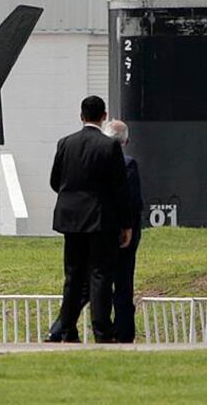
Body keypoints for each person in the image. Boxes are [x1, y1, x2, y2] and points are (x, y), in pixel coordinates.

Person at [49, 96, 133, 343]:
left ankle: (67, 329)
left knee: (73, 275)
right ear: (103, 116)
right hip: (100, 219)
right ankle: (101, 331)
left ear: (81, 116)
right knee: (100, 275)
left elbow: (55, 181)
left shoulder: (65, 143)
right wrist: (126, 224)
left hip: (71, 219)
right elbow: (120, 188)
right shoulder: (110, 146)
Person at [106, 120, 143, 342]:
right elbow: (133, 201)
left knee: (100, 282)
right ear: (126, 141)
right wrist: (128, 227)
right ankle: (123, 331)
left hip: (98, 230)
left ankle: (102, 328)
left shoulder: (95, 163)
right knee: (123, 281)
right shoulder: (128, 164)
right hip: (122, 233)